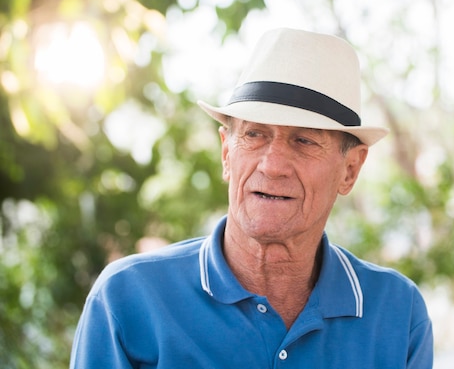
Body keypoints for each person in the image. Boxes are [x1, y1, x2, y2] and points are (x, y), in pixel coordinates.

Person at [70, 28, 433, 368]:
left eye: (304, 140)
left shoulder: (398, 313)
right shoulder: (128, 299)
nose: (273, 165)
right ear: (227, 153)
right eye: (255, 134)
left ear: (350, 170)